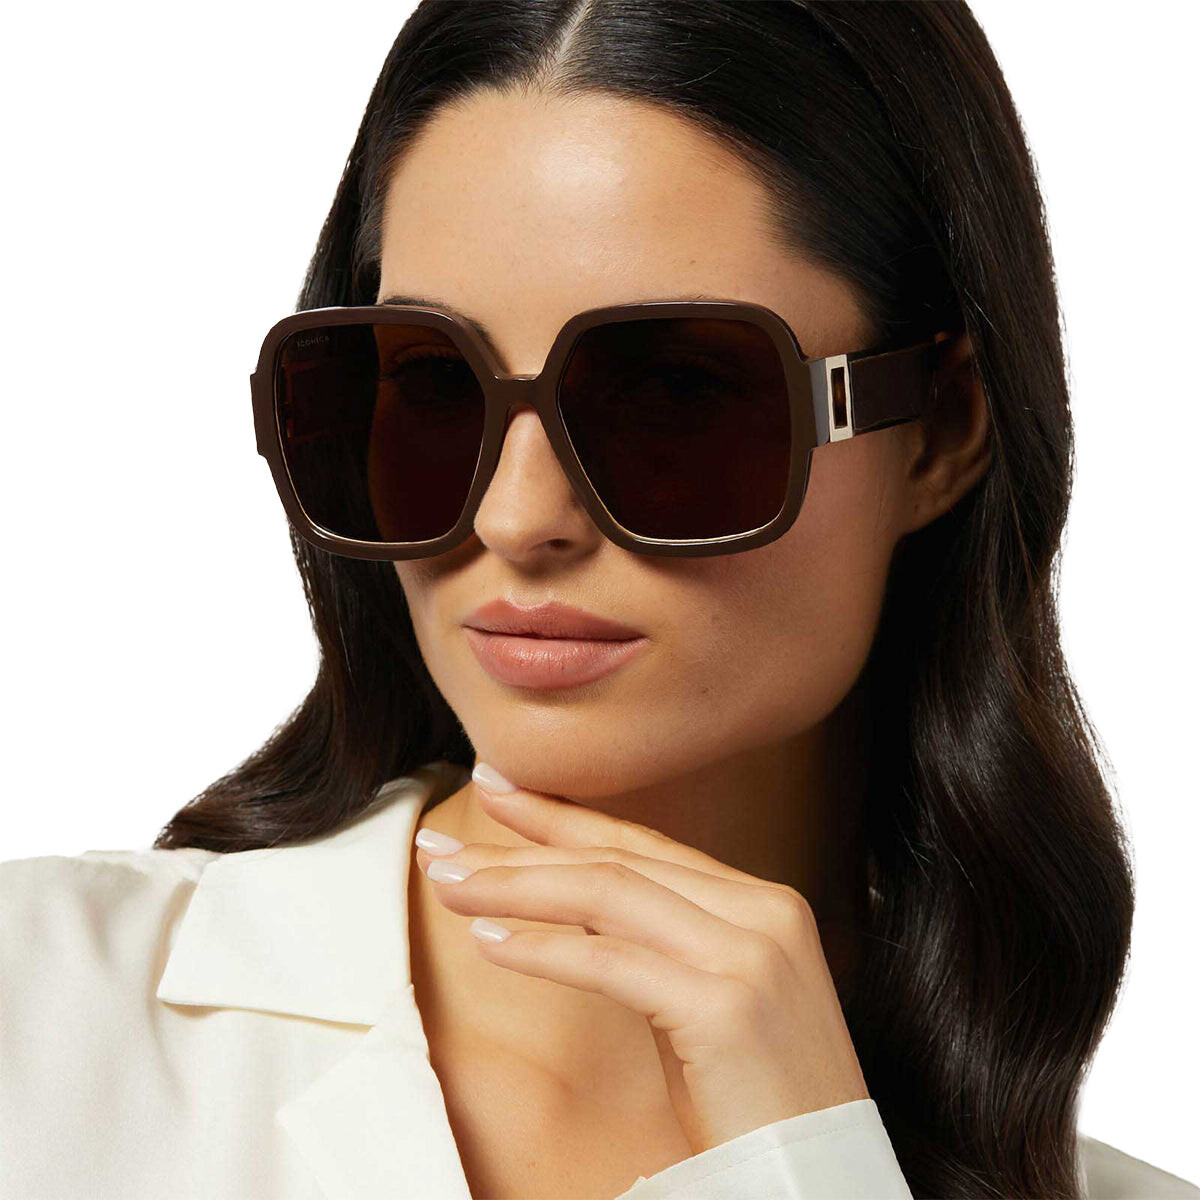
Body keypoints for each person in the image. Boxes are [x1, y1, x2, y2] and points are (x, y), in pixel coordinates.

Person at [2, 2, 1197, 1198]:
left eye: (674, 389)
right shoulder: (37, 1009)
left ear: (939, 429)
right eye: (433, 381)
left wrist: (810, 1166)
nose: (516, 518)